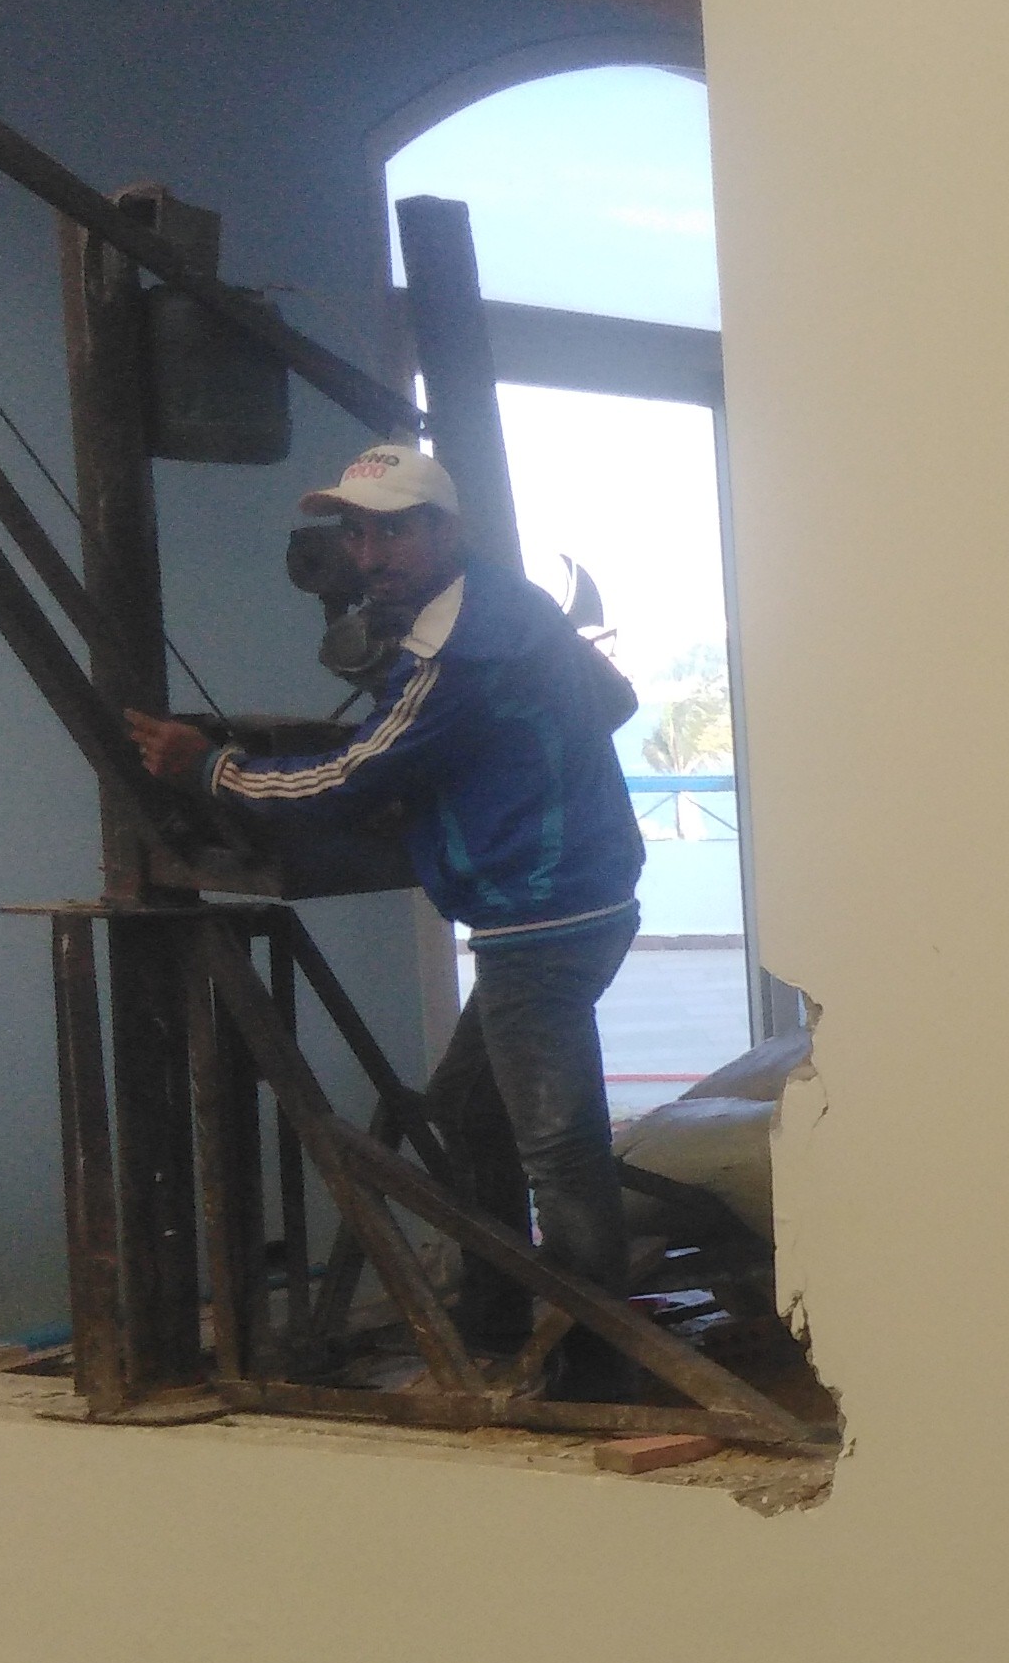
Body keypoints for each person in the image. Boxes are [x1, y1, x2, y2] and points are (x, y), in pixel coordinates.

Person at [124, 442, 649, 1377]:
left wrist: (209, 769)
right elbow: (614, 698)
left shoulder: (460, 650)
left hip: (541, 915)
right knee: (467, 1104)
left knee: (558, 1150)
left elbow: (346, 779)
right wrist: (496, 769)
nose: (369, 556)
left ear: (446, 530)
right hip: (577, 893)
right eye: (358, 534)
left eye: (394, 533)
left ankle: (602, 1369)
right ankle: (498, 1315)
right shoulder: (514, 602)